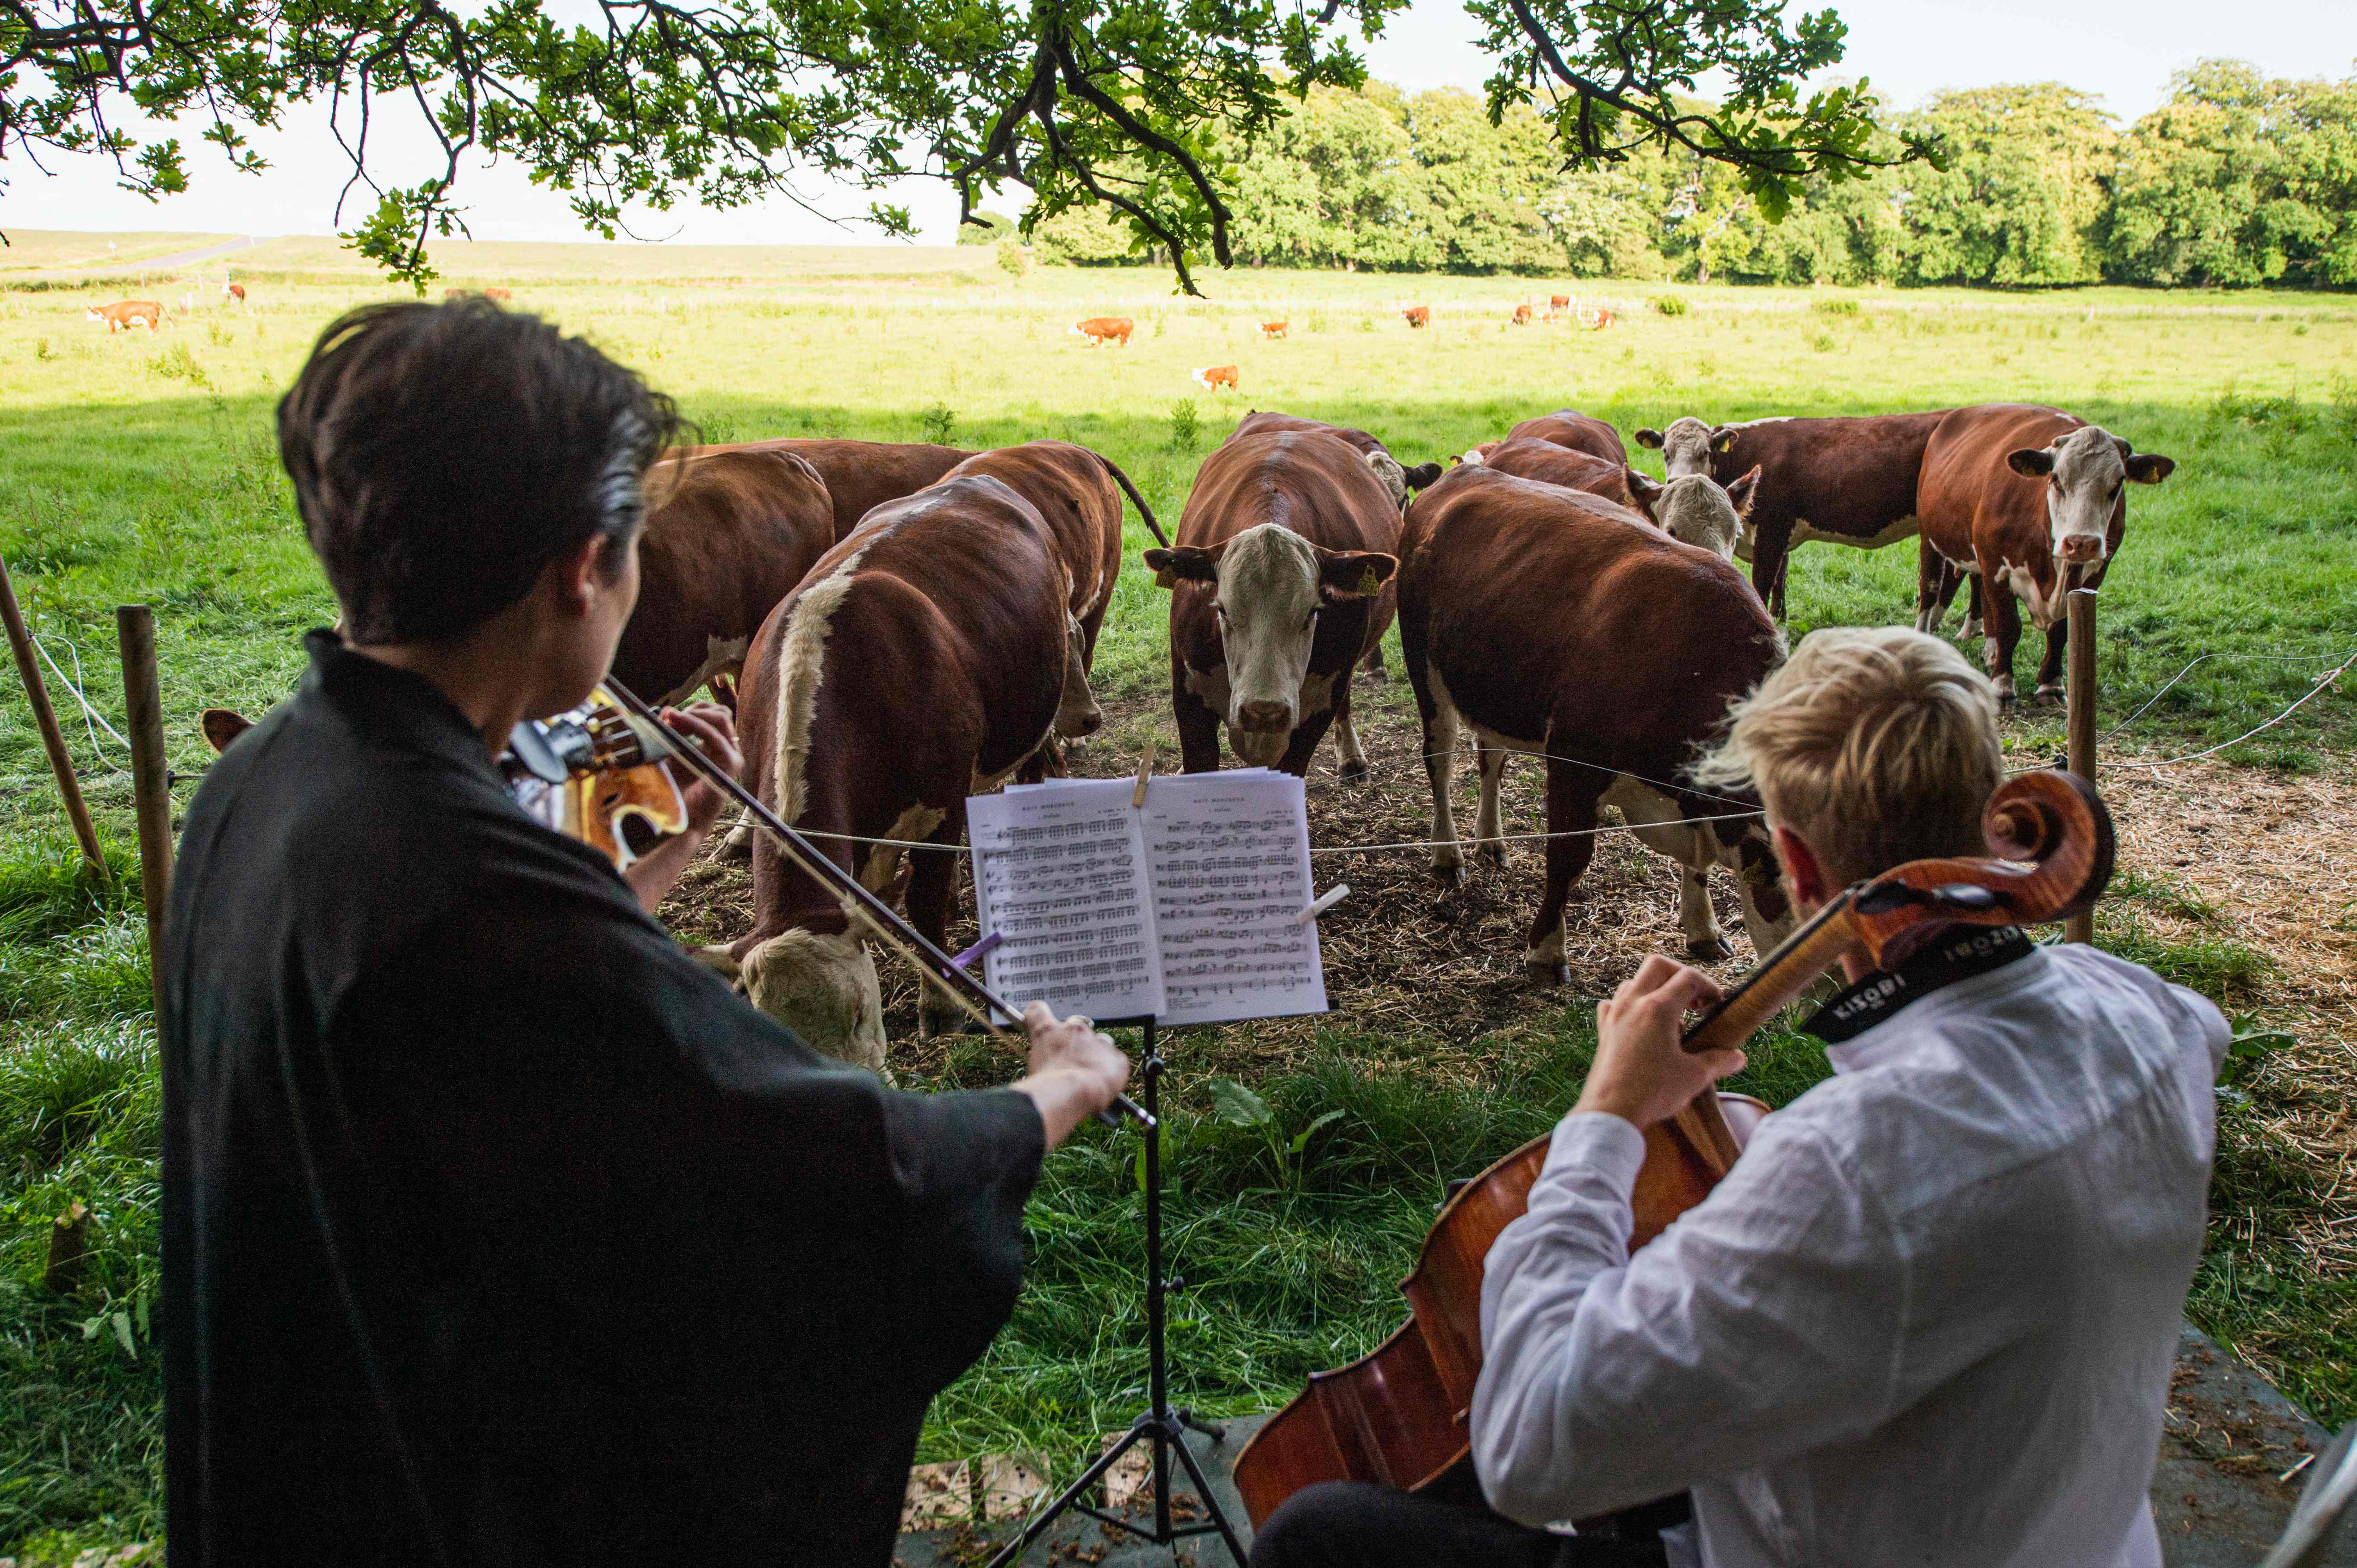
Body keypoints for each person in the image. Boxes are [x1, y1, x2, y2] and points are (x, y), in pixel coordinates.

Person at [159, 299, 1131, 1568]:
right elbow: (819, 1173)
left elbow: (484, 1066)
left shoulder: (274, 776)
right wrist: (1046, 1095)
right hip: (462, 1499)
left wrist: (627, 884)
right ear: (584, 567)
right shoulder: (474, 889)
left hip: (311, 1448)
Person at [1250, 627, 2228, 1568]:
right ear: (1989, 818)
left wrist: (1601, 1120)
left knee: (1318, 1534)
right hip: (2062, 1528)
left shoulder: (1853, 1166)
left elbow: (1524, 1444)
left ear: (1796, 865)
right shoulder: (2158, 1019)